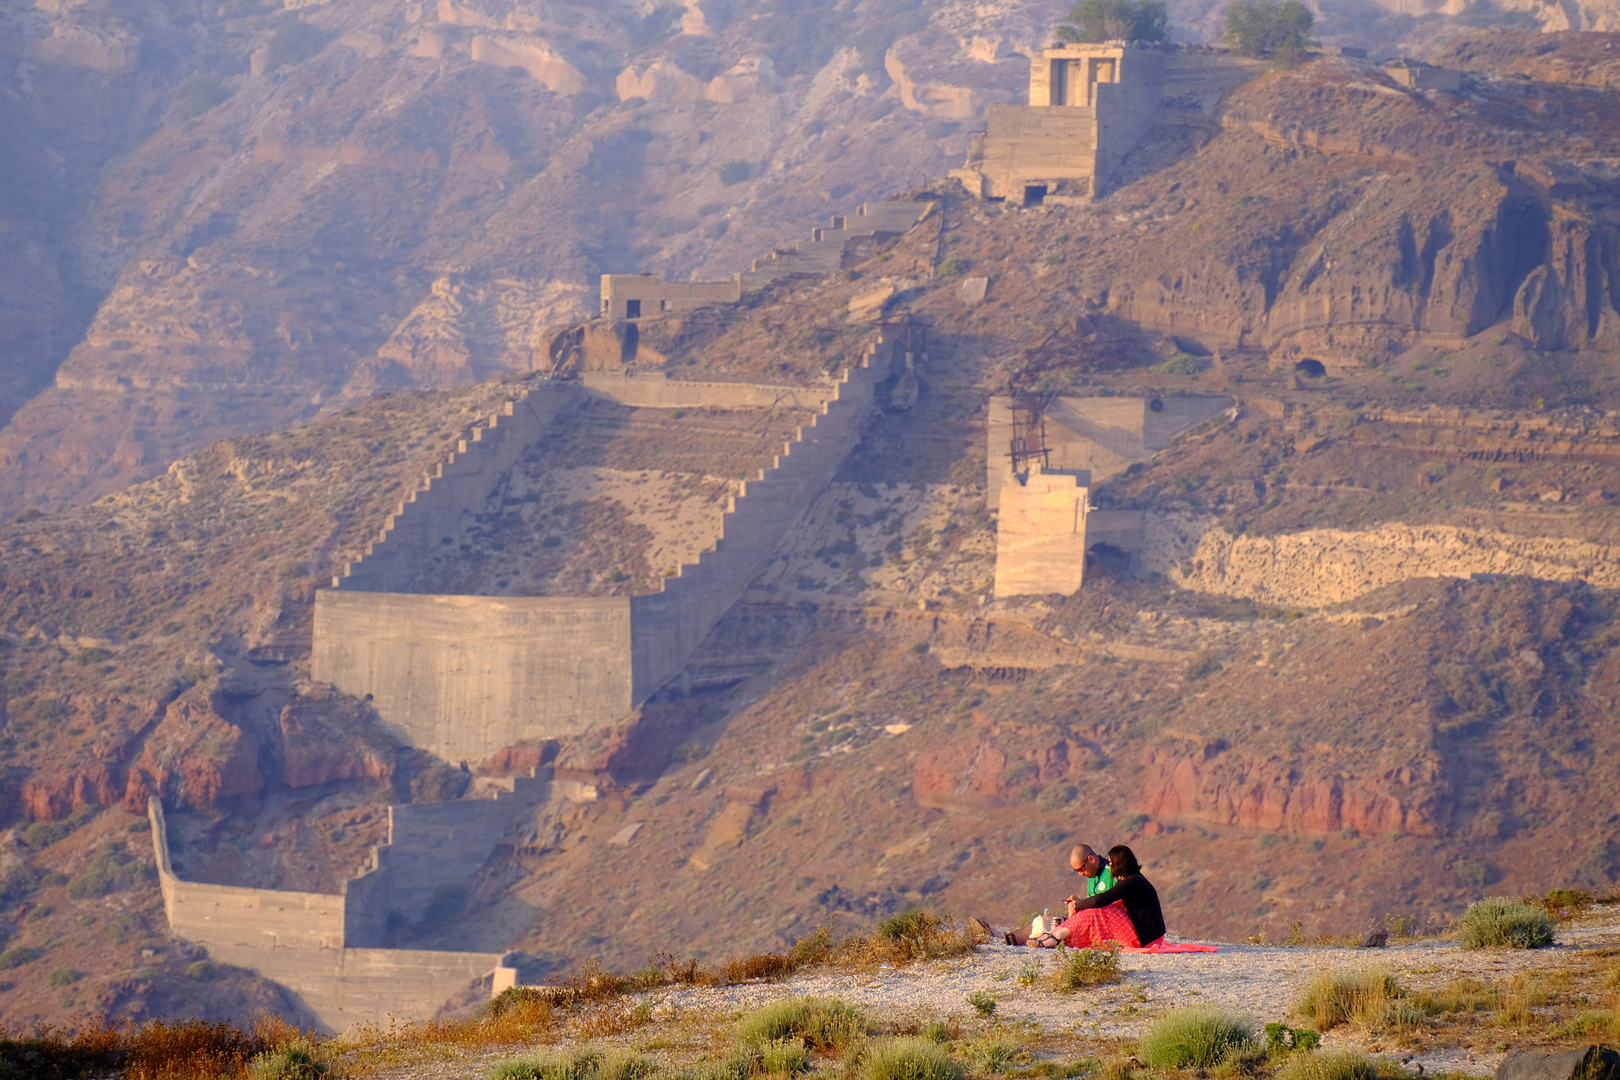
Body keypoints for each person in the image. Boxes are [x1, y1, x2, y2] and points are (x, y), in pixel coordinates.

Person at [1024, 844, 1166, 950]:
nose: (1109, 866)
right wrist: (1080, 904)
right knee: (1094, 910)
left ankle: (1056, 936)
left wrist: (1077, 906)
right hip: (1141, 932)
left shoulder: (1132, 881)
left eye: (1111, 863)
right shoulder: (1130, 879)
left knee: (1099, 910)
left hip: (1147, 938)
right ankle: (1055, 934)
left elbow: (1100, 900)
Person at [996, 844, 1115, 946]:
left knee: (1054, 926)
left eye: (1081, 869)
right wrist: (1079, 902)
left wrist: (1081, 906)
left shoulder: (1111, 873)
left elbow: (1107, 904)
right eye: (1077, 871)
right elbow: (1093, 902)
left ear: (1091, 859)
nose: (1080, 874)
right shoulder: (1092, 876)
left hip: (1103, 925)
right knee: (1046, 920)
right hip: (1089, 920)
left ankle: (1025, 940)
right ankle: (1003, 936)